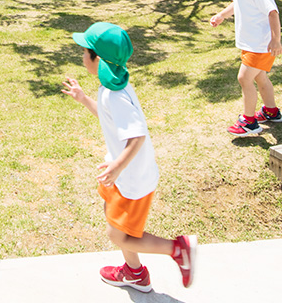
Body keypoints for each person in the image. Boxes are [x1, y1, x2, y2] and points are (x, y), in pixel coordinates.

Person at [61, 22, 197, 292]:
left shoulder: (115, 94)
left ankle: (178, 249)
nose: (82, 55)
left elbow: (137, 136)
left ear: (96, 59)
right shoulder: (111, 85)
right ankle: (134, 273)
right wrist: (84, 99)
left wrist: (117, 166)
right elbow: (113, 123)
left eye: (85, 51)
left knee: (118, 234)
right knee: (114, 222)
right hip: (121, 174)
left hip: (131, 179)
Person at [209, 0, 282, 137]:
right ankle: (271, 111)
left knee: (244, 78)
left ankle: (248, 121)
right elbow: (237, 4)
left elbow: (272, 12)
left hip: (260, 45)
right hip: (251, 43)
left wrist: (276, 40)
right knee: (260, 77)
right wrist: (222, 15)